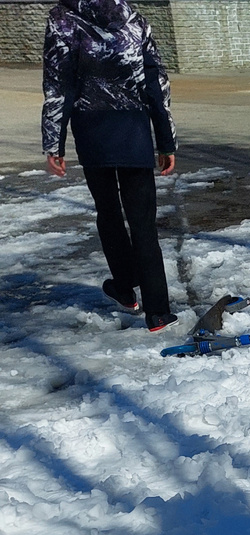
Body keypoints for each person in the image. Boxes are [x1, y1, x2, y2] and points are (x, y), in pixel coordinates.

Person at [41, 0, 177, 332]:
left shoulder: (63, 19)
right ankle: (157, 310)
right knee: (143, 221)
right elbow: (155, 82)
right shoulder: (134, 19)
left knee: (109, 211)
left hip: (92, 132)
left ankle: (125, 288)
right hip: (134, 132)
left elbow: (58, 84)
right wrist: (165, 139)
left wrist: (53, 142)